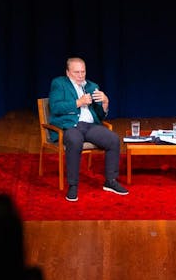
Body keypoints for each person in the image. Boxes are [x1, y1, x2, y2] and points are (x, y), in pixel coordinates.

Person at [48, 57, 128, 201]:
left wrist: (105, 102)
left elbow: (99, 115)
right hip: (70, 126)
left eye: (83, 72)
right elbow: (55, 107)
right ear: (68, 73)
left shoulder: (92, 86)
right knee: (74, 141)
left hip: (90, 126)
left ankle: (111, 181)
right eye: (76, 72)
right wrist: (79, 102)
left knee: (113, 139)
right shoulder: (59, 84)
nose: (80, 76)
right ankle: (73, 186)